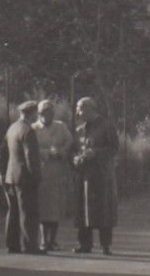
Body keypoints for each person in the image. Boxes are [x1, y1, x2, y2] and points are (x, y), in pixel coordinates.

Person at [69, 96, 118, 255]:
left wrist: (96, 153)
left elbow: (114, 149)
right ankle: (84, 244)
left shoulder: (106, 126)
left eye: (79, 108)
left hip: (102, 175)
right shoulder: (80, 129)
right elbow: (74, 149)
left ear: (89, 109)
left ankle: (106, 245)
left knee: (103, 210)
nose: (77, 112)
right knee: (84, 210)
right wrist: (75, 158)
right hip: (84, 175)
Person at [0, 100, 43, 254]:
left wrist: (1, 172)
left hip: (11, 176)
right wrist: (36, 176)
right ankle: (30, 246)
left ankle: (12, 244)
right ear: (33, 113)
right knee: (28, 212)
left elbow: (1, 152)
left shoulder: (12, 128)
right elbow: (31, 157)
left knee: (14, 211)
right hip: (25, 177)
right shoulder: (28, 131)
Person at [34, 99, 73, 251]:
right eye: (44, 112)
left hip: (57, 170)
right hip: (42, 171)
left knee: (55, 207)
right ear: (39, 114)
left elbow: (69, 141)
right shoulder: (34, 128)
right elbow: (32, 148)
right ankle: (44, 240)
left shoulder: (61, 126)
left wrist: (62, 151)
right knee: (43, 207)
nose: (47, 115)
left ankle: (53, 240)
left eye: (50, 112)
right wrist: (46, 153)